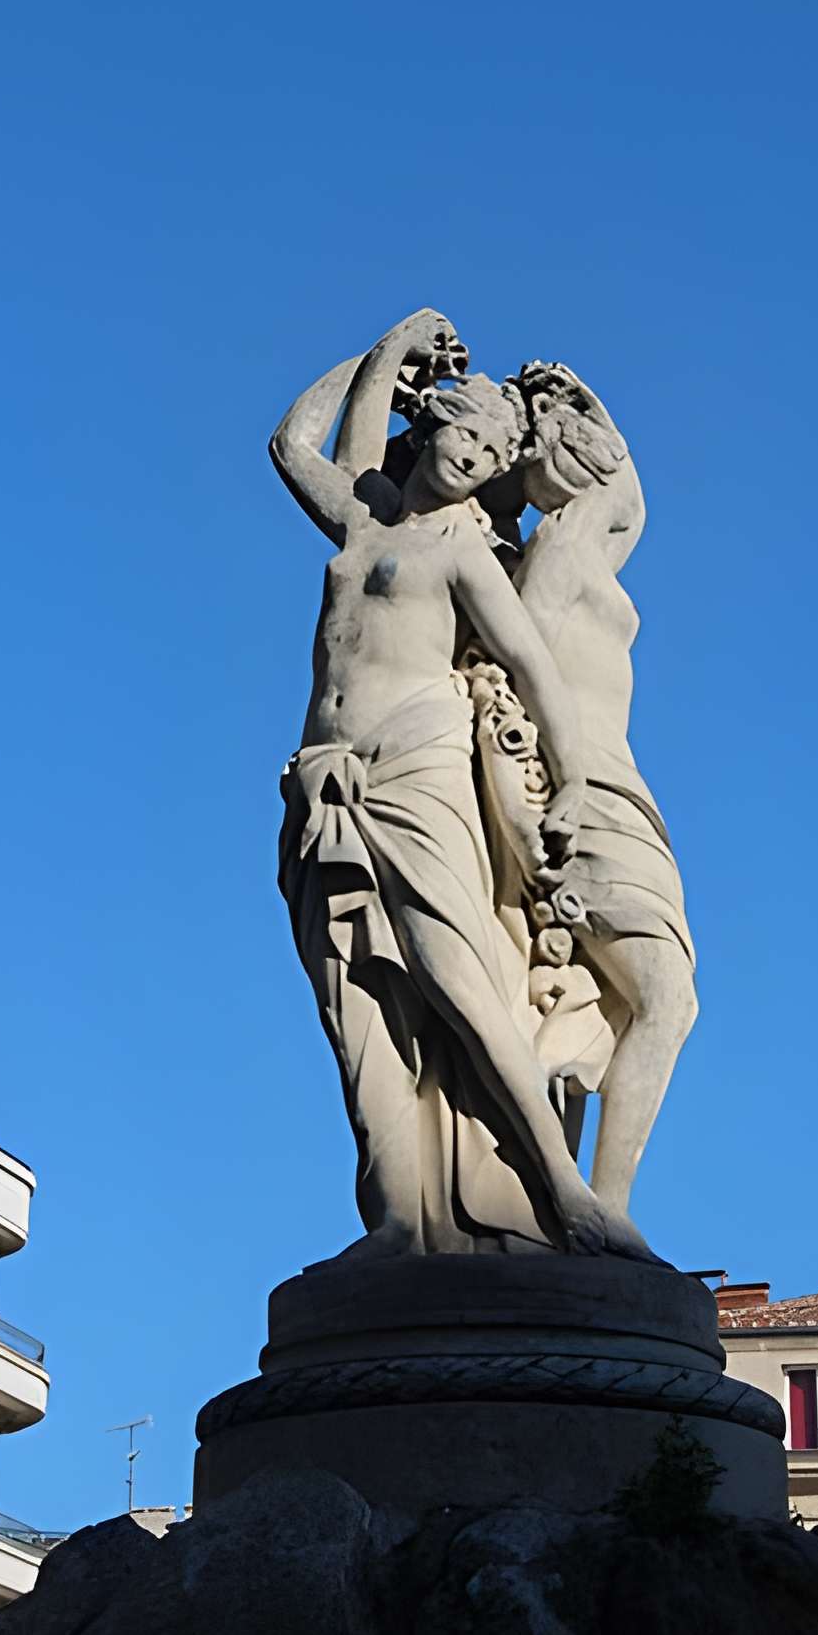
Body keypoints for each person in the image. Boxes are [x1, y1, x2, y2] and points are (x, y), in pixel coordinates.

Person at [270, 310, 650, 1260]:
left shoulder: (464, 553)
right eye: (462, 435)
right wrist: (387, 351)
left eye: (489, 453)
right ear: (432, 424)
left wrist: (568, 783)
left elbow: (533, 670)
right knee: (358, 1005)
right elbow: (291, 444)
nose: (472, 456)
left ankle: (566, 1193)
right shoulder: (360, 520)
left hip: (418, 769)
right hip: (322, 785)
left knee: (459, 982)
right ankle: (399, 1220)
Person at [505, 362, 698, 1212]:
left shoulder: (584, 538)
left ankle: (567, 1202)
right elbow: (518, 674)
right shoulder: (553, 549)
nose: (585, 453)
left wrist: (579, 394)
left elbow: (632, 498)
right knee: (663, 997)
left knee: (614, 1004)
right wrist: (549, 796)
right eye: (560, 441)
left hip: (623, 793)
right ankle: (604, 1206)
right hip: (586, 794)